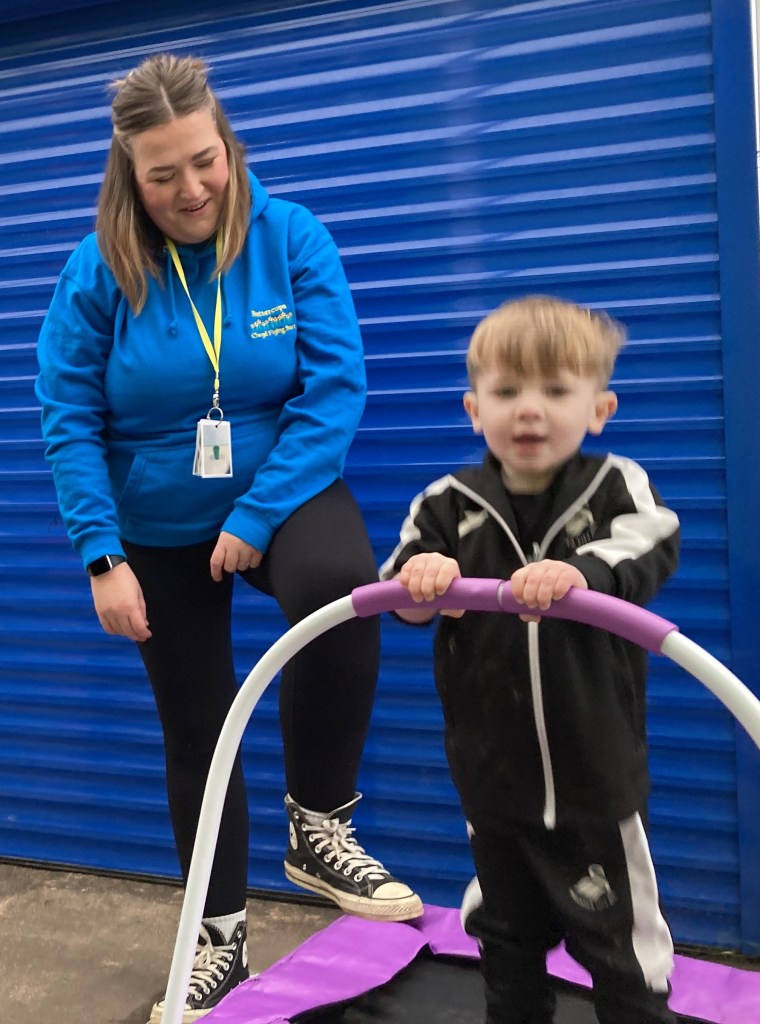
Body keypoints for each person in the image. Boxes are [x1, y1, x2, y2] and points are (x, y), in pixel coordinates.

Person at [35, 53, 421, 1024]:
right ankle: (217, 939)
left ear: (228, 143)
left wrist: (254, 516)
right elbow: (66, 411)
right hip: (155, 525)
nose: (190, 188)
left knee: (341, 588)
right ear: (129, 174)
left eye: (203, 161)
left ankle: (319, 822)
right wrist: (101, 553)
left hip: (280, 492)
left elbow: (333, 388)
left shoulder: (289, 237)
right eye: (161, 174)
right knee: (197, 732)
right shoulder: (99, 270)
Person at [381, 296, 680, 1024]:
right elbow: (401, 591)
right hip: (494, 785)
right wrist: (424, 583)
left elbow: (651, 539)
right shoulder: (447, 504)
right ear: (474, 409)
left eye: (555, 390)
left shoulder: (616, 487)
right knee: (506, 945)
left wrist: (582, 573)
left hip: (594, 786)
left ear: (599, 408)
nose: (530, 411)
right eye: (507, 392)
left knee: (623, 957)